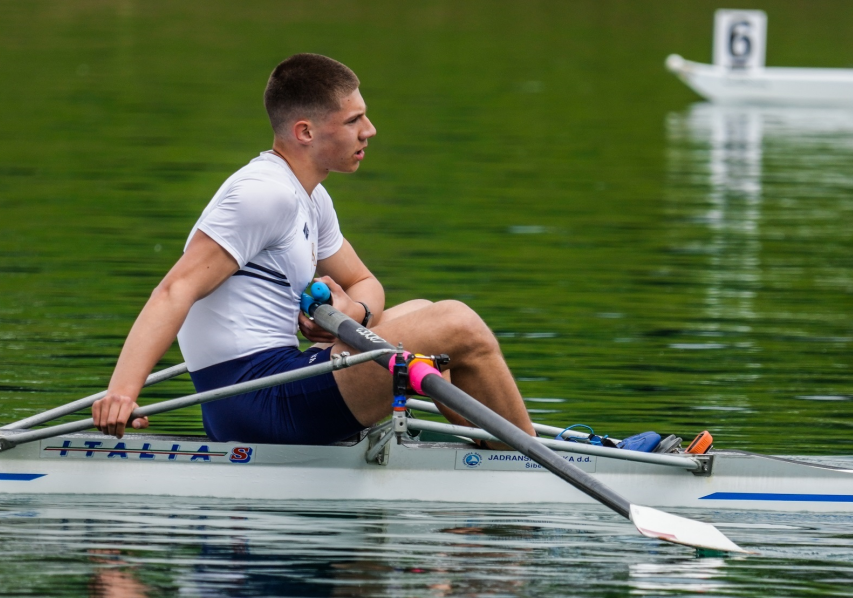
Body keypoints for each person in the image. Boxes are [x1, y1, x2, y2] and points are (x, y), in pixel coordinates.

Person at [92, 53, 534, 445]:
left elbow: (364, 282)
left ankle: (492, 453)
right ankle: (527, 462)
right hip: (254, 400)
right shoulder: (264, 194)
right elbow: (175, 291)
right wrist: (123, 392)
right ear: (305, 131)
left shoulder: (311, 197)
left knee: (421, 312)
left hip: (283, 379)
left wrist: (353, 312)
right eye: (352, 120)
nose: (370, 130)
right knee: (456, 324)